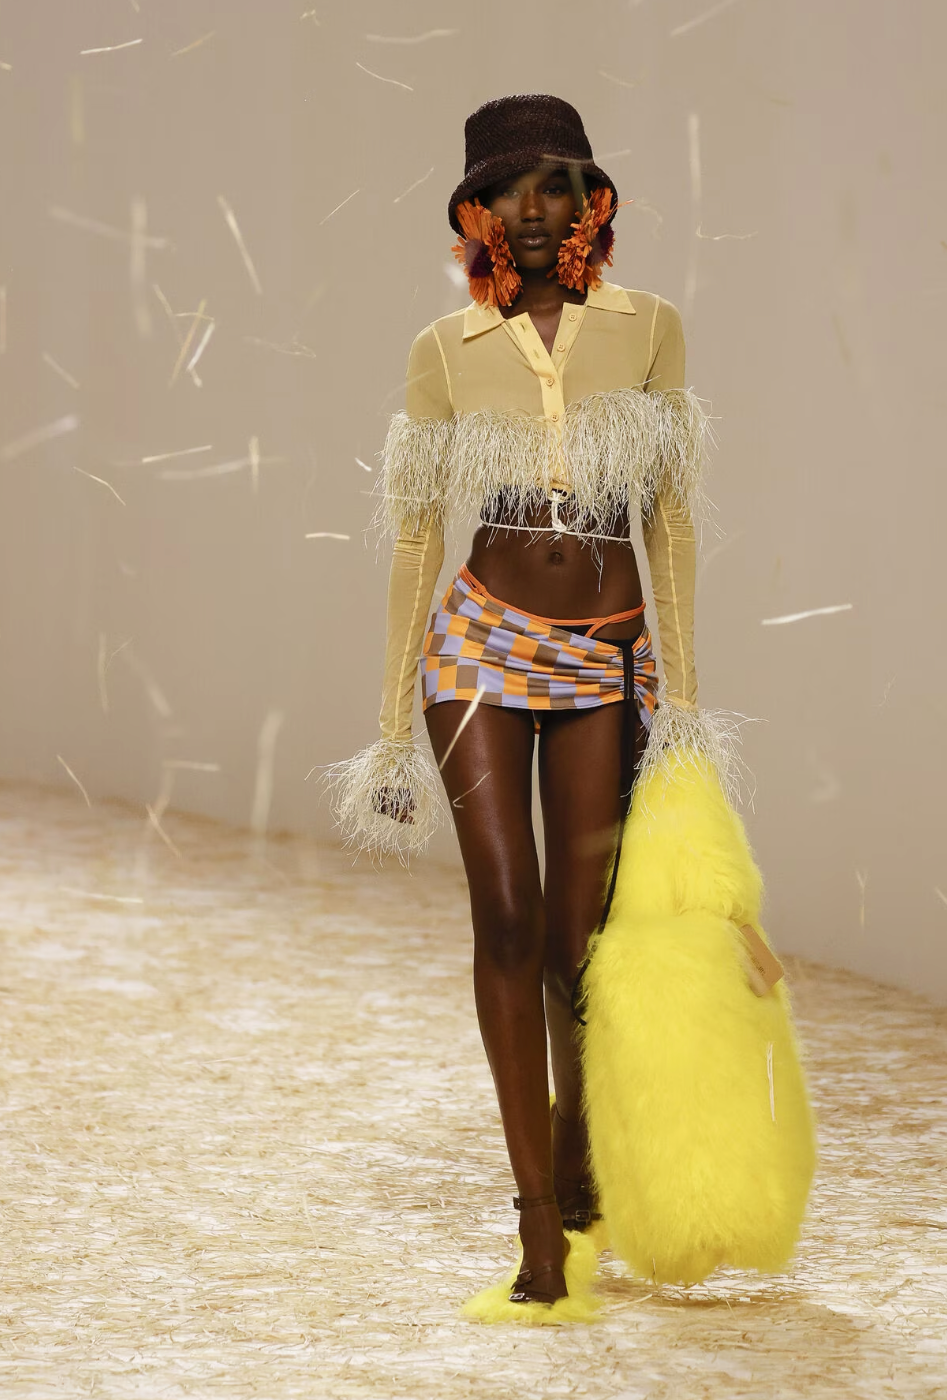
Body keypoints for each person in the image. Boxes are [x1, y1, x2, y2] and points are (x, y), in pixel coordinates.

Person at [328, 94, 718, 1313]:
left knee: (577, 939)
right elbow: (415, 536)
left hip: (604, 653)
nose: (533, 210)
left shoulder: (648, 327)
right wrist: (388, 723)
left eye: (555, 184)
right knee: (503, 915)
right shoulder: (446, 347)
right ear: (476, 212)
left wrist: (685, 700)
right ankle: (537, 1221)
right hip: (479, 649)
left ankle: (580, 1145)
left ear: (591, 200)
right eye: (508, 190)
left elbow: (668, 519)